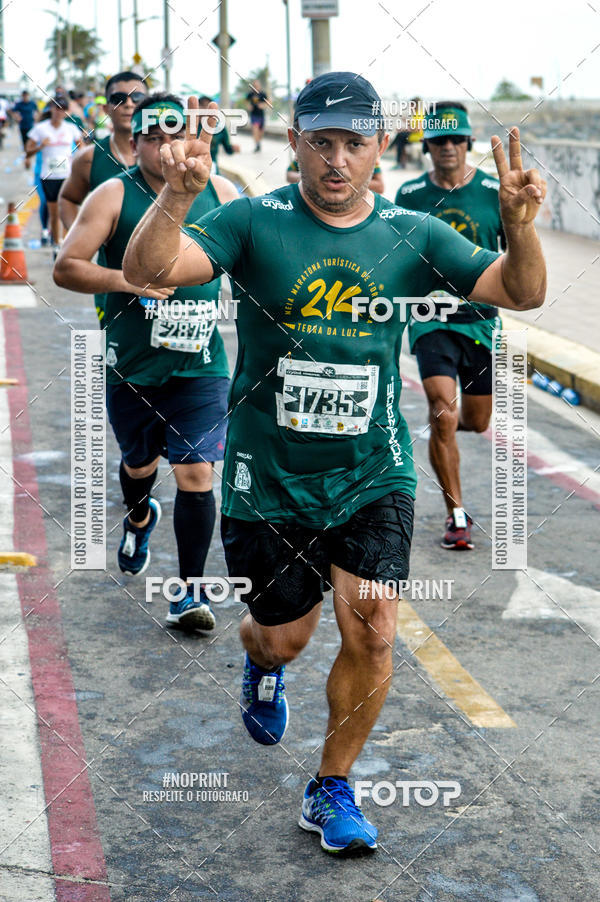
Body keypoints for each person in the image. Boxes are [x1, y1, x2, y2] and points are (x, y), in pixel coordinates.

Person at [123, 74, 546, 855]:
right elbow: (151, 270)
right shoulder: (252, 221)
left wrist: (520, 228)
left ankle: (331, 786)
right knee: (281, 637)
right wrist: (178, 197)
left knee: (375, 629)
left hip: (373, 470)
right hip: (268, 475)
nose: (337, 160)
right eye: (322, 142)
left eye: (355, 143)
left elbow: (522, 293)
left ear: (380, 147)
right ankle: (264, 665)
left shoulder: (411, 232)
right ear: (296, 143)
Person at [54, 93, 239, 630]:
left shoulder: (220, 192)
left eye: (171, 137)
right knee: (139, 466)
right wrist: (125, 280)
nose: (162, 149)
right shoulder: (113, 194)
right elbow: (67, 267)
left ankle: (189, 591)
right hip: (132, 366)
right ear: (134, 143)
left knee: (198, 473)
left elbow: (255, 257)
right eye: (151, 138)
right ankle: (139, 515)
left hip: (202, 366)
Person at [395, 102, 505, 550]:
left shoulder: (493, 192)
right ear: (428, 147)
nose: (447, 148)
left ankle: (444, 435)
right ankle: (456, 515)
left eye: (455, 140)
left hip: (480, 320)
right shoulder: (409, 195)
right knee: (443, 409)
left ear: (468, 144)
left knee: (475, 422)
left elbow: (516, 255)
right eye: (438, 141)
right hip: (430, 320)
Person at [59, 72, 148, 323]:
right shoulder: (89, 158)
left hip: (166, 282)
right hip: (112, 283)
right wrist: (79, 236)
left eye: (137, 97)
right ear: (107, 107)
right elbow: (67, 199)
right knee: (114, 353)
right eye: (119, 99)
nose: (129, 104)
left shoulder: (167, 156)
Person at [25, 96, 83, 257]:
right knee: (54, 212)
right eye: (56, 108)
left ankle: (63, 242)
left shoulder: (71, 128)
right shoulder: (40, 129)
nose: (59, 112)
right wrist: (40, 146)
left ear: (66, 112)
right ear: (51, 108)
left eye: (62, 109)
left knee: (65, 210)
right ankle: (56, 243)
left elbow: (82, 148)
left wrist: (81, 164)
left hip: (68, 176)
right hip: (48, 176)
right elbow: (27, 151)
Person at [286, 155, 385, 193]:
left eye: (355, 144)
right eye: (321, 143)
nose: (337, 163)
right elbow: (289, 174)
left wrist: (350, 183)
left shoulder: (369, 158)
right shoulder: (307, 154)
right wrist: (310, 178)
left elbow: (380, 186)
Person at [198, 95, 240, 174]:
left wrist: (233, 148)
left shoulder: (220, 128)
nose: (205, 109)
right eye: (202, 105)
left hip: (213, 170)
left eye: (208, 107)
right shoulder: (189, 127)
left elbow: (228, 149)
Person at [12, 91, 38, 168]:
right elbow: (13, 112)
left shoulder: (32, 103)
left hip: (31, 126)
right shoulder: (19, 104)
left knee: (30, 143)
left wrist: (36, 117)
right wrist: (17, 117)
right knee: (24, 143)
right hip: (22, 126)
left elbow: (37, 112)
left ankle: (28, 159)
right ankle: (27, 158)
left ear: (28, 96)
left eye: (26, 96)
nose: (25, 97)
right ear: (22, 96)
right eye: (24, 96)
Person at [245, 79, 268, 151]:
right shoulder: (250, 94)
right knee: (255, 129)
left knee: (261, 132)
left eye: (257, 86)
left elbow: (268, 102)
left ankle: (258, 142)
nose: (256, 87)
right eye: (254, 86)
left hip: (261, 115)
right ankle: (257, 144)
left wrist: (263, 105)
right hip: (254, 115)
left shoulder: (263, 94)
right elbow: (246, 101)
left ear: (259, 86)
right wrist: (248, 106)